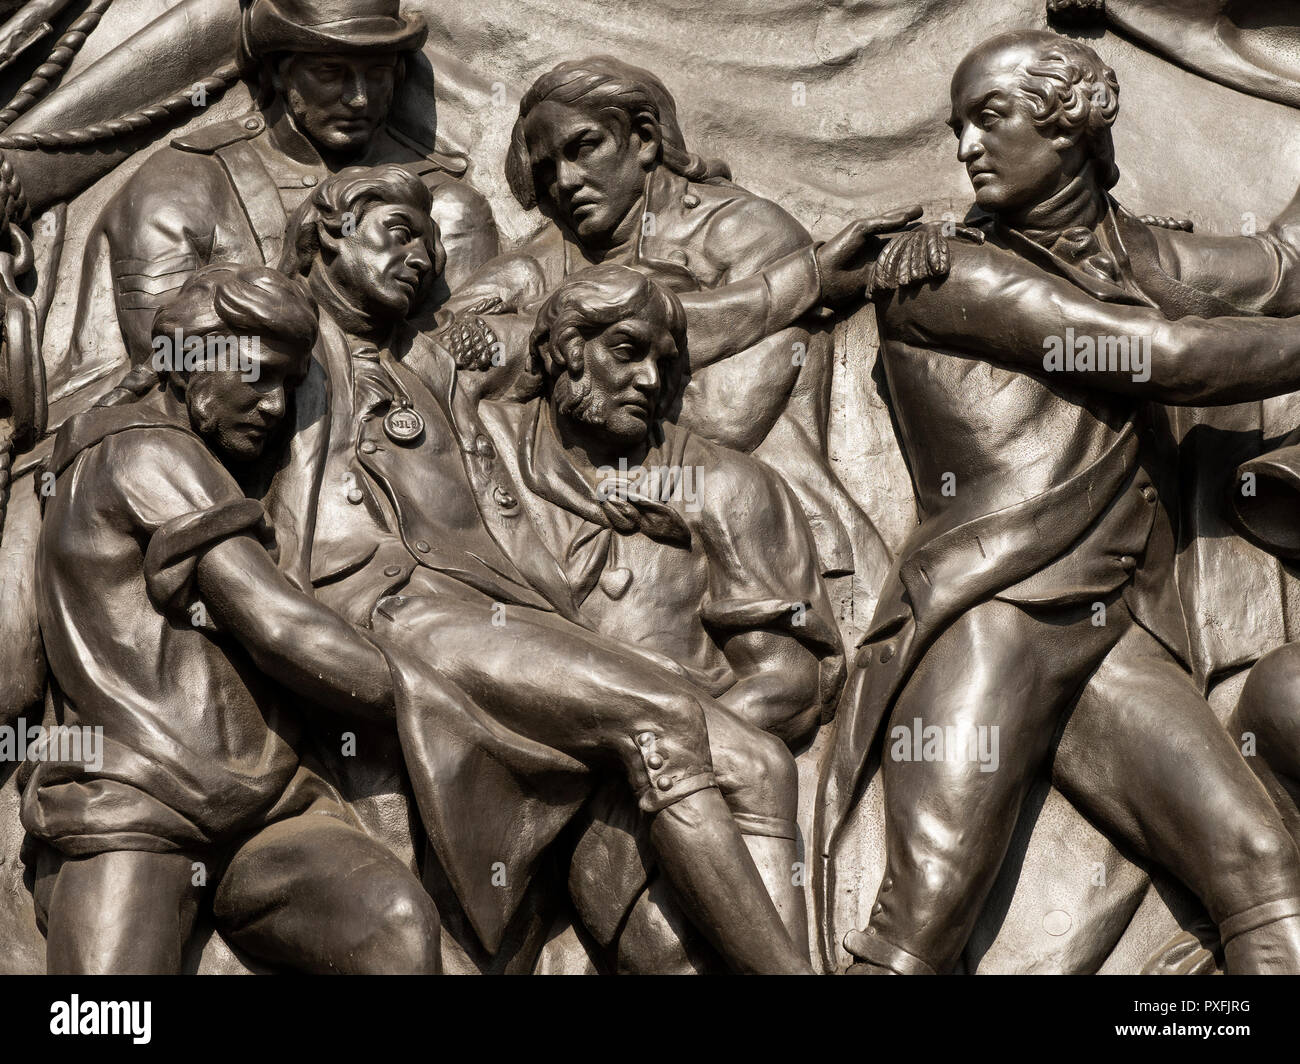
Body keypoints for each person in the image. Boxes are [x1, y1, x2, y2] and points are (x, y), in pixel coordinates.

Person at [269, 163, 837, 974]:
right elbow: (178, 377)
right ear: (326, 233)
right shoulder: (280, 339)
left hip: (479, 611)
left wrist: (804, 279)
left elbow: (608, 322)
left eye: (431, 246)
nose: (423, 261)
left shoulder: (437, 360)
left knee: (754, 757)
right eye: (397, 235)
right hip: (388, 610)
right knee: (663, 719)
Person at [818, 29, 1300, 976]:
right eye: (957, 126)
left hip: (1114, 632)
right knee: (923, 918)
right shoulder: (943, 274)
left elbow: (1283, 266)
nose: (963, 146)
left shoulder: (1146, 256)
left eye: (987, 117)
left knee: (1263, 871)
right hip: (992, 617)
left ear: (1069, 118)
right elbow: (1158, 358)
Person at [21, 263, 444, 974]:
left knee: (394, 921)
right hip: (136, 807)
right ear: (193, 361)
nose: (277, 406)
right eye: (260, 375)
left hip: (267, 810)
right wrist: (437, 700)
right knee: (101, 1020)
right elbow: (281, 630)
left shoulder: (165, 455)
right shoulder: (147, 449)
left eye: (289, 381)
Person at [478, 263, 844, 970]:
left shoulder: (728, 486)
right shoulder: (483, 454)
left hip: (685, 784)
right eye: (626, 350)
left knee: (685, 940)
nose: (650, 378)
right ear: (566, 350)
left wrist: (661, 746)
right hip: (522, 770)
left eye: (663, 362)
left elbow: (790, 681)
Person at [82, 0, 497, 402]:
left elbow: (465, 365)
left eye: (377, 74)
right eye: (330, 72)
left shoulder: (448, 203)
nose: (358, 98)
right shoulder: (180, 185)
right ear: (281, 72)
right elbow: (167, 366)